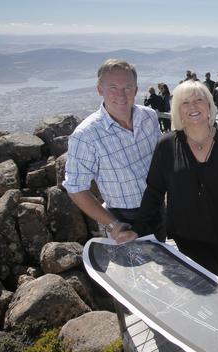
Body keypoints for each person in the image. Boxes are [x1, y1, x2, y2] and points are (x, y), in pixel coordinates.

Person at [134, 80, 218, 278]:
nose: (193, 106)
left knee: (214, 279)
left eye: (199, 100)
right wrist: (137, 231)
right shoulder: (166, 145)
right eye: (185, 103)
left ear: (209, 106)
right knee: (200, 282)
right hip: (184, 233)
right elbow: (154, 192)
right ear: (178, 111)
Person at [63, 59, 161, 244]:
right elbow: (75, 188)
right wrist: (113, 225)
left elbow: (162, 159)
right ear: (100, 90)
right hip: (124, 219)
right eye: (113, 87)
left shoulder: (149, 117)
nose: (121, 95)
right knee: (135, 272)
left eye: (127, 88)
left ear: (136, 89)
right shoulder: (86, 135)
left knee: (164, 266)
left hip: (157, 210)